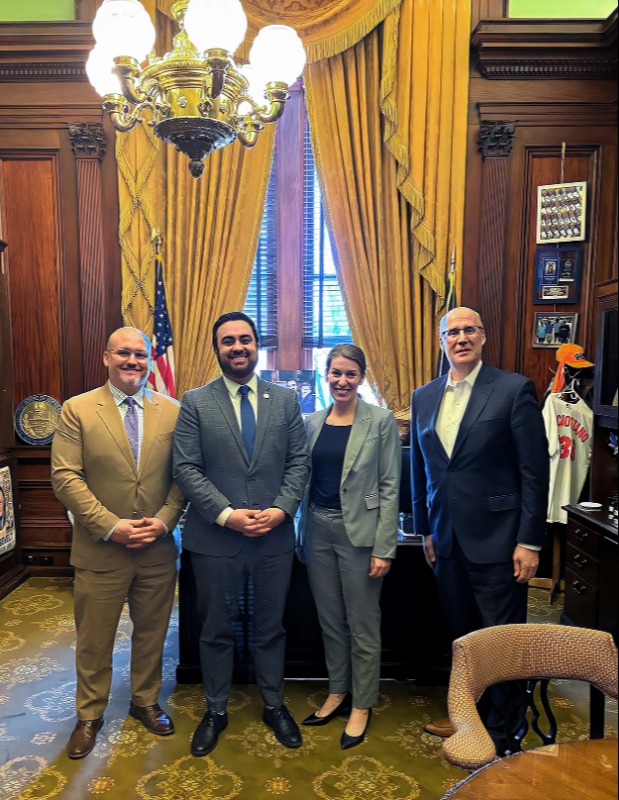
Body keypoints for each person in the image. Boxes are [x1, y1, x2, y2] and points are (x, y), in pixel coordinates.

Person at [410, 307, 549, 756]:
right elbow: (420, 469)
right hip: (446, 540)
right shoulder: (423, 397)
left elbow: (534, 471)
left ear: (483, 337)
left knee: (501, 641)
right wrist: (425, 530)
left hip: (500, 541)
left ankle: (503, 733)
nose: (461, 338)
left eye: (469, 330)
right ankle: (466, 718)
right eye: (452, 332)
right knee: (463, 638)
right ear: (442, 341)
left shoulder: (512, 389)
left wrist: (529, 540)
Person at [173, 311, 310, 757]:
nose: (237, 347)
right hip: (215, 540)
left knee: (271, 627)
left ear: (256, 345)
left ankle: (273, 704)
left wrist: (282, 509)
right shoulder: (195, 402)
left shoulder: (285, 400)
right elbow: (186, 468)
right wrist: (227, 514)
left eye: (245, 339)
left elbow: (299, 462)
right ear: (217, 349)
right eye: (228, 341)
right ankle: (215, 710)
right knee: (215, 630)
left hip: (273, 539)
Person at [51, 327, 185, 759]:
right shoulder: (77, 409)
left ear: (149, 360)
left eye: (140, 354)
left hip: (156, 550)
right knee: (94, 640)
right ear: (106, 357)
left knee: (152, 634)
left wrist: (163, 522)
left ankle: (145, 702)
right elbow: (65, 476)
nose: (133, 361)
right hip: (100, 549)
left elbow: (184, 476)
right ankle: (89, 715)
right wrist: (110, 526)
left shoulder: (173, 410)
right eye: (123, 353)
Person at [297, 344, 400, 749]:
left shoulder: (380, 421)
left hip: (360, 536)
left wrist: (384, 548)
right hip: (317, 531)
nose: (342, 381)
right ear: (326, 375)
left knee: (362, 623)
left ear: (361, 377)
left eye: (350, 374)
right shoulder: (311, 421)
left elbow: (390, 487)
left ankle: (363, 702)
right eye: (336, 373)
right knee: (330, 620)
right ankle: (338, 690)